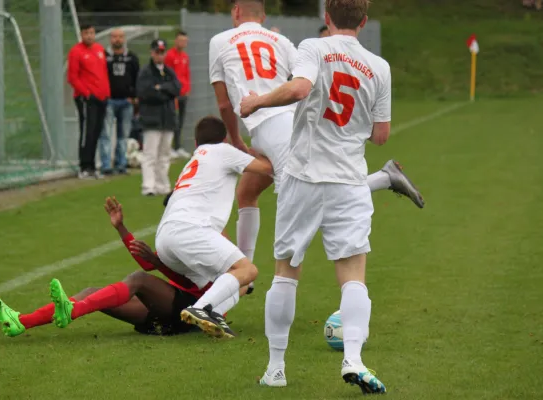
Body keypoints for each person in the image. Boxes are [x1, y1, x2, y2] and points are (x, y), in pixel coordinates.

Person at [209, 0, 424, 293]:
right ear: (264, 15)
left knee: (306, 198)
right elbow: (305, 79)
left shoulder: (219, 41)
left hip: (269, 128)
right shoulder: (281, 40)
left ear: (235, 12)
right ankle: (243, 272)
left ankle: (238, 282)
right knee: (246, 192)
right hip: (280, 124)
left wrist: (235, 139)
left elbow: (224, 103)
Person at [239, 0, 389, 393]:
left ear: (327, 18)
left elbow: (301, 88)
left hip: (304, 175)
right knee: (353, 275)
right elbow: (380, 135)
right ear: (364, 21)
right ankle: (353, 358)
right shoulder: (380, 66)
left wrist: (257, 100)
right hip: (350, 180)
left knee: (286, 272)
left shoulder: (314, 48)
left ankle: (275, 368)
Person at [0, 197, 249, 338]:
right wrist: (121, 229)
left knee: (138, 279)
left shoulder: (210, 237)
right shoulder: (183, 234)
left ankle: (72, 310)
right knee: (93, 291)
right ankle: (22, 322)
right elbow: (148, 261)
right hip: (169, 313)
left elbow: (209, 287)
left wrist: (158, 262)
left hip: (193, 314)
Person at [150, 116, 273, 339]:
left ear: (196, 142)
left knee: (240, 281)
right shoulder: (222, 150)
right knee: (248, 270)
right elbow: (267, 167)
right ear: (223, 138)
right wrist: (272, 145)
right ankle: (201, 308)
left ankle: (213, 312)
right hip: (189, 230)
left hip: (165, 238)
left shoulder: (195, 159)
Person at [137, 39, 181, 196]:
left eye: (162, 52)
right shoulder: (146, 72)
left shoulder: (169, 72)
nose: (159, 55)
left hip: (167, 119)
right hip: (152, 119)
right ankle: (148, 186)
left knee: (164, 155)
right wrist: (165, 93)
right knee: (150, 154)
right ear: (152, 52)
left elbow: (177, 88)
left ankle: (162, 185)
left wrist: (161, 88)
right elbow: (145, 93)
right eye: (157, 52)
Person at [67, 24, 110, 179]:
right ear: (81, 34)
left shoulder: (99, 49)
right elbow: (72, 77)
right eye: (86, 33)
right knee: (87, 132)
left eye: (92, 33)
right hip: (86, 99)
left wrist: (106, 93)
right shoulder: (76, 52)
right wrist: (86, 93)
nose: (89, 36)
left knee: (97, 132)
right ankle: (84, 166)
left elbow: (103, 73)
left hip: (101, 97)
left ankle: (92, 166)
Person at [99, 28, 140, 176]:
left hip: (126, 101)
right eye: (115, 37)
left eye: (120, 37)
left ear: (124, 39)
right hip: (109, 100)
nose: (117, 39)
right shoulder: (103, 57)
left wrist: (135, 96)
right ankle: (105, 165)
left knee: (123, 135)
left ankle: (121, 164)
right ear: (110, 39)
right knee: (106, 134)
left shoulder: (131, 58)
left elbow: (137, 78)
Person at [165, 31, 192, 160]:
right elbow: (168, 75)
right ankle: (169, 147)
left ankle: (178, 147)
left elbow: (186, 74)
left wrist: (187, 88)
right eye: (181, 40)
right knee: (173, 120)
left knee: (180, 120)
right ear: (176, 41)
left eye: (185, 41)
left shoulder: (185, 56)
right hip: (174, 94)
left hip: (183, 93)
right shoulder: (170, 56)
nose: (183, 43)